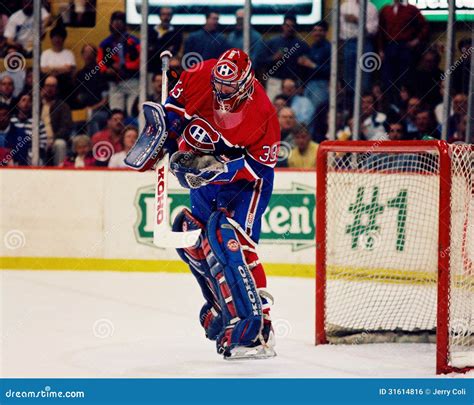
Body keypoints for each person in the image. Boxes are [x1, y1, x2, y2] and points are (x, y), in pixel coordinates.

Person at [142, 48, 279, 359]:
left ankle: (261, 328)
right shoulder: (200, 74)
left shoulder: (263, 114)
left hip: (245, 184)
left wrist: (215, 170)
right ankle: (224, 303)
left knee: (233, 242)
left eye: (229, 86)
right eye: (219, 83)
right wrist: (166, 134)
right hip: (202, 175)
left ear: (246, 81)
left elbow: (258, 168)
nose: (221, 90)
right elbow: (173, 108)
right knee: (199, 239)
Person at [378, 0, 429, 100]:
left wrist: (416, 40)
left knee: (405, 77)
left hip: (404, 46)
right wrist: (380, 49)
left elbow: (425, 26)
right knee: (388, 77)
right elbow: (380, 30)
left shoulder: (411, 9)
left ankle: (405, 103)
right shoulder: (386, 9)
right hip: (390, 46)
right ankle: (391, 103)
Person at [98, 11, 140, 116]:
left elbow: (140, 61)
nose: (117, 24)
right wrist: (106, 71)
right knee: (116, 114)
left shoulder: (134, 41)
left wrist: (124, 66)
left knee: (133, 112)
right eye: (114, 21)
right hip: (115, 83)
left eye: (120, 21)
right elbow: (100, 62)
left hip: (133, 82)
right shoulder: (105, 44)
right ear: (111, 24)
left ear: (124, 25)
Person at [262, 15, 309, 102]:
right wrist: (274, 58)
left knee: (292, 110)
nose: (290, 28)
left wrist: (302, 85)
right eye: (287, 26)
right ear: (283, 26)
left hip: (294, 83)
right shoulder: (272, 43)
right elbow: (261, 63)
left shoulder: (302, 45)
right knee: (272, 109)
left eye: (292, 26)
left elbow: (307, 70)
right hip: (275, 82)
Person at [340, 0, 378, 100]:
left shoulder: (371, 8)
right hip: (349, 42)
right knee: (349, 76)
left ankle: (364, 102)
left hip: (366, 42)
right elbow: (341, 28)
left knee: (366, 75)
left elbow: (372, 30)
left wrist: (357, 20)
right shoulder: (345, 6)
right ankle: (350, 104)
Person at [73, 44, 109, 134]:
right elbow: (77, 97)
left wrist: (92, 109)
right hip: (83, 111)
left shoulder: (101, 73)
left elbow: (105, 100)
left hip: (100, 111)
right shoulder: (79, 75)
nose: (88, 55)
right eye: (85, 52)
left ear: (95, 55)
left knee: (92, 117)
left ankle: (94, 144)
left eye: (91, 53)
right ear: (82, 55)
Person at [298, 20, 331, 114]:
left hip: (322, 85)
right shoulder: (312, 47)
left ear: (325, 32)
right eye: (315, 30)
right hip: (309, 84)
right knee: (307, 112)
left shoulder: (329, 48)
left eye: (320, 30)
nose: (317, 33)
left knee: (317, 113)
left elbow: (331, 70)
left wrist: (312, 65)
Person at [41, 75, 73, 165]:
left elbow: (66, 128)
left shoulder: (63, 106)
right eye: (47, 85)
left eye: (53, 86)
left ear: (57, 89)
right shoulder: (37, 105)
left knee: (60, 144)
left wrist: (52, 139)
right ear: (43, 87)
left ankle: (60, 171)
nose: (49, 89)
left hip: (55, 139)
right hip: (38, 139)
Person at [41, 25, 76, 102]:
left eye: (60, 37)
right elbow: (43, 70)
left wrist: (52, 69)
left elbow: (68, 69)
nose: (57, 40)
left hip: (63, 82)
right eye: (55, 37)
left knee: (65, 78)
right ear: (51, 39)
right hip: (48, 81)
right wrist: (60, 69)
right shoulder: (45, 53)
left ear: (63, 39)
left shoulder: (69, 53)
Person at [11, 92, 48, 164]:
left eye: (29, 101)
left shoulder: (38, 122)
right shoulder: (11, 121)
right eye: (23, 100)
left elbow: (43, 143)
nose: (26, 103)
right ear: (18, 103)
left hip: (32, 154)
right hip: (13, 153)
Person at [148, 7, 183, 74]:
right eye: (163, 14)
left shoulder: (176, 32)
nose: (166, 17)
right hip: (151, 68)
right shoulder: (151, 31)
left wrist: (156, 47)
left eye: (168, 14)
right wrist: (166, 48)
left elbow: (174, 51)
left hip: (168, 69)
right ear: (159, 16)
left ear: (171, 16)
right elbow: (149, 49)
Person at [0, 102, 30, 166]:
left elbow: (21, 157)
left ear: (10, 116)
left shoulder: (20, 134)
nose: (1, 118)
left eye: (4, 114)